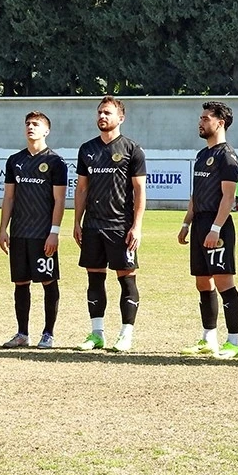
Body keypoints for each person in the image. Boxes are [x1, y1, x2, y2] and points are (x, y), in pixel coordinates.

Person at [73, 97, 146, 353]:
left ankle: (126, 334)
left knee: (127, 280)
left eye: (107, 112)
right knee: (94, 279)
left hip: (121, 227)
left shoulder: (132, 149)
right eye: (100, 112)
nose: (102, 116)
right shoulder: (87, 149)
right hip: (93, 226)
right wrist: (77, 221)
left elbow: (139, 190)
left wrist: (137, 226)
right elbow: (82, 188)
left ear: (120, 118)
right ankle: (97, 334)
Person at [178, 101, 238, 359]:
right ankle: (208, 339)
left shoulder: (227, 156)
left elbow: (228, 197)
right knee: (202, 283)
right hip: (199, 224)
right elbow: (195, 194)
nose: (201, 122)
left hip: (218, 226)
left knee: (224, 282)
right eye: (201, 118)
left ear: (220, 123)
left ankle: (233, 342)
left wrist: (216, 229)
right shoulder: (201, 155)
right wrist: (186, 223)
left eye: (206, 118)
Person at [0, 112, 68, 349]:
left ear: (46, 131)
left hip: (42, 234)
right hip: (19, 233)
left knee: (48, 281)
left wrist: (54, 232)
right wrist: (3, 229)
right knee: (20, 283)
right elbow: (9, 197)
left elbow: (59, 200)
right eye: (27, 123)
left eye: (36, 124)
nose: (30, 127)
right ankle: (22, 334)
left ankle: (48, 333)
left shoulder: (56, 162)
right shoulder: (14, 160)